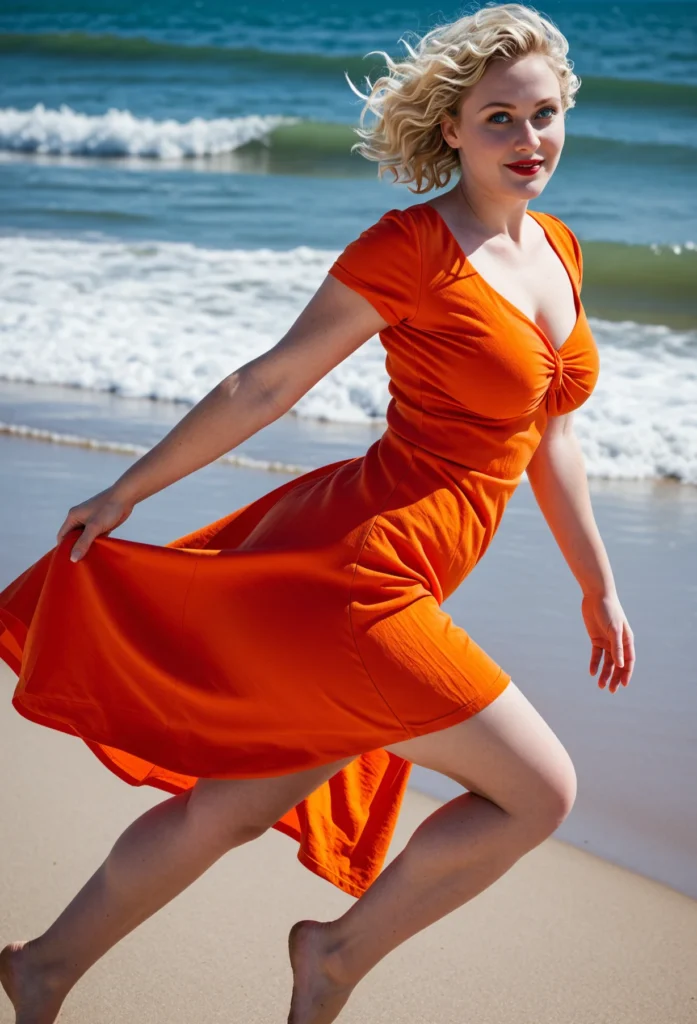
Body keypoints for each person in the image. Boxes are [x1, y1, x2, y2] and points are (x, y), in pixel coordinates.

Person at [0, 4, 635, 1023]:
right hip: (354, 577)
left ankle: (44, 968)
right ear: (452, 130)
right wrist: (128, 488)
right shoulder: (409, 249)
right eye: (500, 120)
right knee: (541, 789)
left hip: (397, 572)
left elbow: (549, 433)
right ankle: (334, 956)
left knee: (232, 807)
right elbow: (267, 384)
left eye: (544, 115)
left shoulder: (556, 247)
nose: (529, 141)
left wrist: (595, 583)